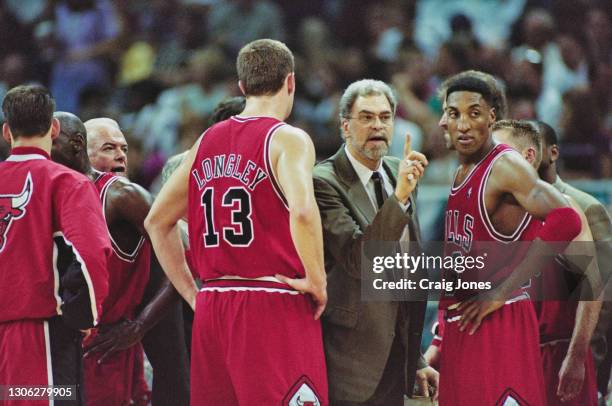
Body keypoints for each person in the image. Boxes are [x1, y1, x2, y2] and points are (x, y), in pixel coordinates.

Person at [145, 39, 328, 405]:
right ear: (290, 82)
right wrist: (317, 279)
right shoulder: (288, 138)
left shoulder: (207, 139)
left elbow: (156, 221)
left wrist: (192, 294)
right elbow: (304, 211)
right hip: (271, 300)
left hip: (214, 304)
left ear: (242, 86)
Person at [439, 73, 582, 405]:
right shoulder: (462, 170)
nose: (462, 124)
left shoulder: (504, 165)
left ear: (491, 117)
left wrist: (503, 290)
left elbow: (567, 219)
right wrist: (440, 337)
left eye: (473, 113)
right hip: (466, 322)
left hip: (499, 321)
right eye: (454, 113)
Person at [312, 79, 438, 405]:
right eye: (366, 117)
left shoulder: (401, 172)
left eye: (385, 117)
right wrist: (399, 199)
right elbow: (359, 259)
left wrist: (417, 358)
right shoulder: (323, 181)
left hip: (398, 356)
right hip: (350, 359)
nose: (377, 126)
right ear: (345, 126)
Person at [51, 113, 188, 405]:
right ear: (81, 150)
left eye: (123, 148)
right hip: (63, 343)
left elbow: (187, 258)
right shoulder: (55, 192)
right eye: (109, 148)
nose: (121, 156)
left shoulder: (123, 196)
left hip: (108, 345)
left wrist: (140, 325)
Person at [0, 85, 110, 405]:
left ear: (7, 132)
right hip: (41, 337)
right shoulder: (66, 181)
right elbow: (91, 254)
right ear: (54, 127)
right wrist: (86, 315)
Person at [493, 119, 601, 406]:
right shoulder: (491, 209)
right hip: (510, 356)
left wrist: (578, 356)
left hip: (558, 352)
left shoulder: (568, 206)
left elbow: (595, 286)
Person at [535, 120, 612, 403]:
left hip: (575, 351)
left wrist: (589, 357)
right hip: (535, 352)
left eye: (533, 146)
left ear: (553, 153)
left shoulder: (587, 206)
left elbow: (602, 289)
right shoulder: (514, 209)